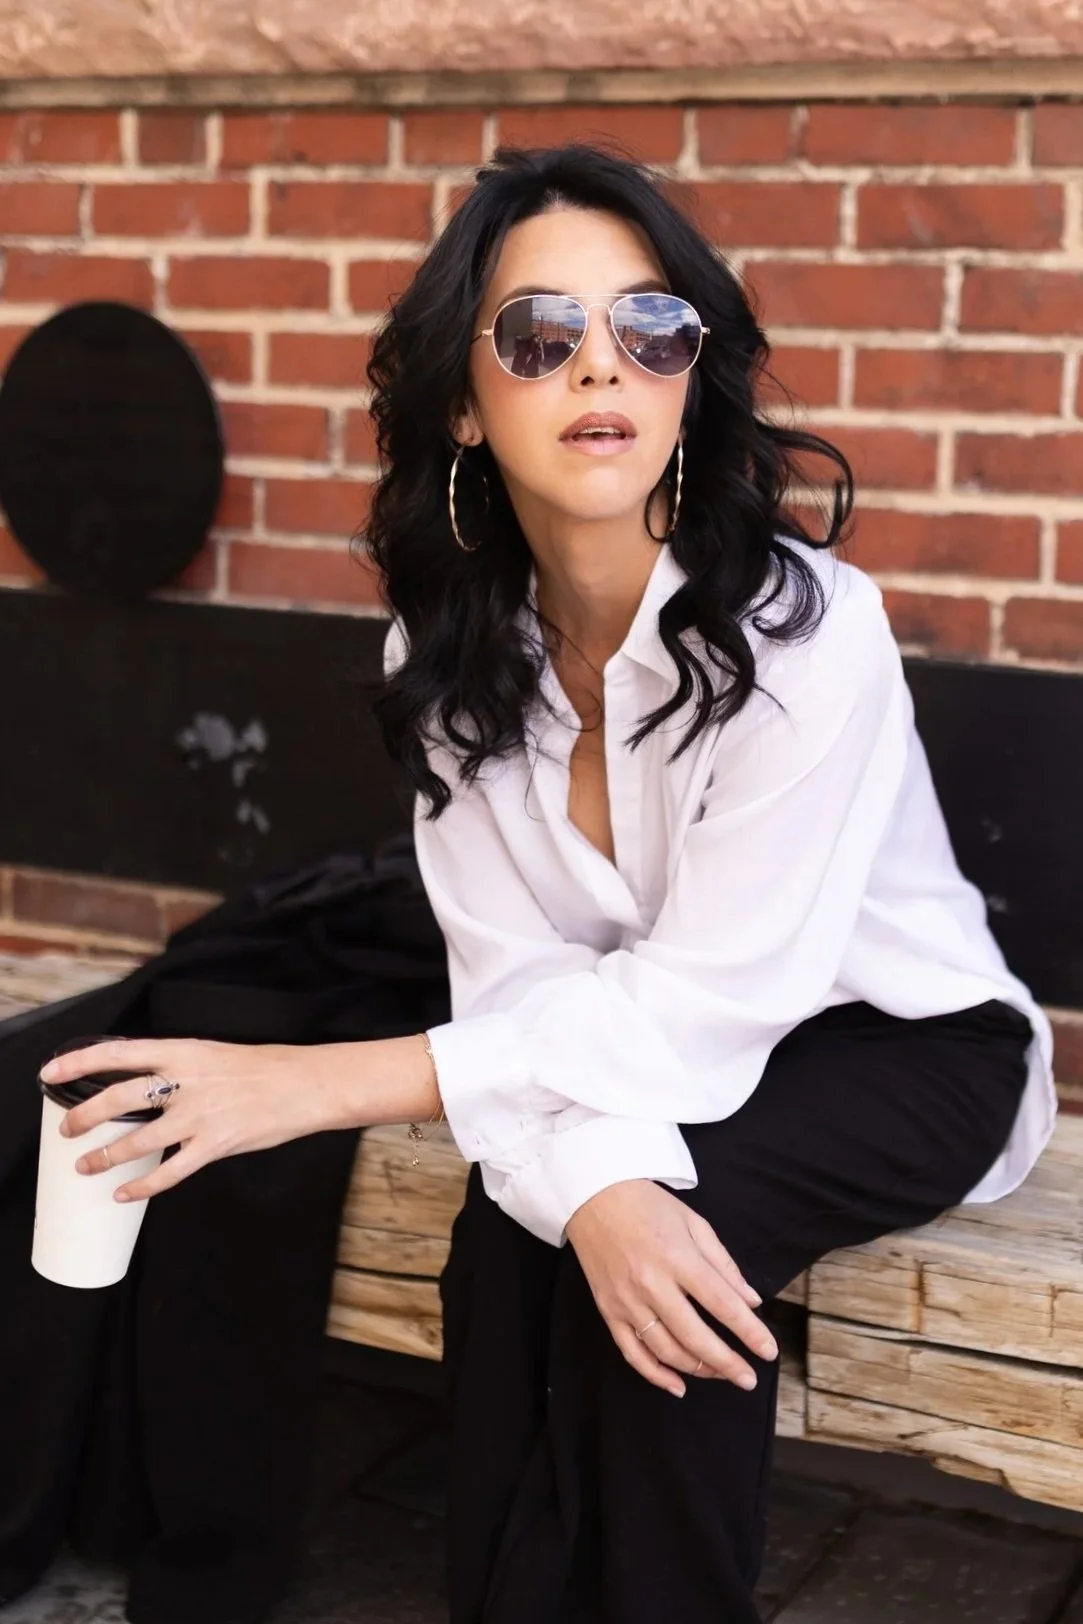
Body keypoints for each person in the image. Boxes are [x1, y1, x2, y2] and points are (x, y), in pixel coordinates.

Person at [48, 144, 1056, 1624]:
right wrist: (587, 1185)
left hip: (890, 1040)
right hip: (628, 1034)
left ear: (689, 380)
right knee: (517, 1243)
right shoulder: (447, 662)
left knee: (667, 1261)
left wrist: (302, 1086)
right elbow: (517, 978)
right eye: (541, 333)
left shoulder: (802, 635)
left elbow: (713, 1000)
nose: (604, 366)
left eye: (652, 331)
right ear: (464, 398)